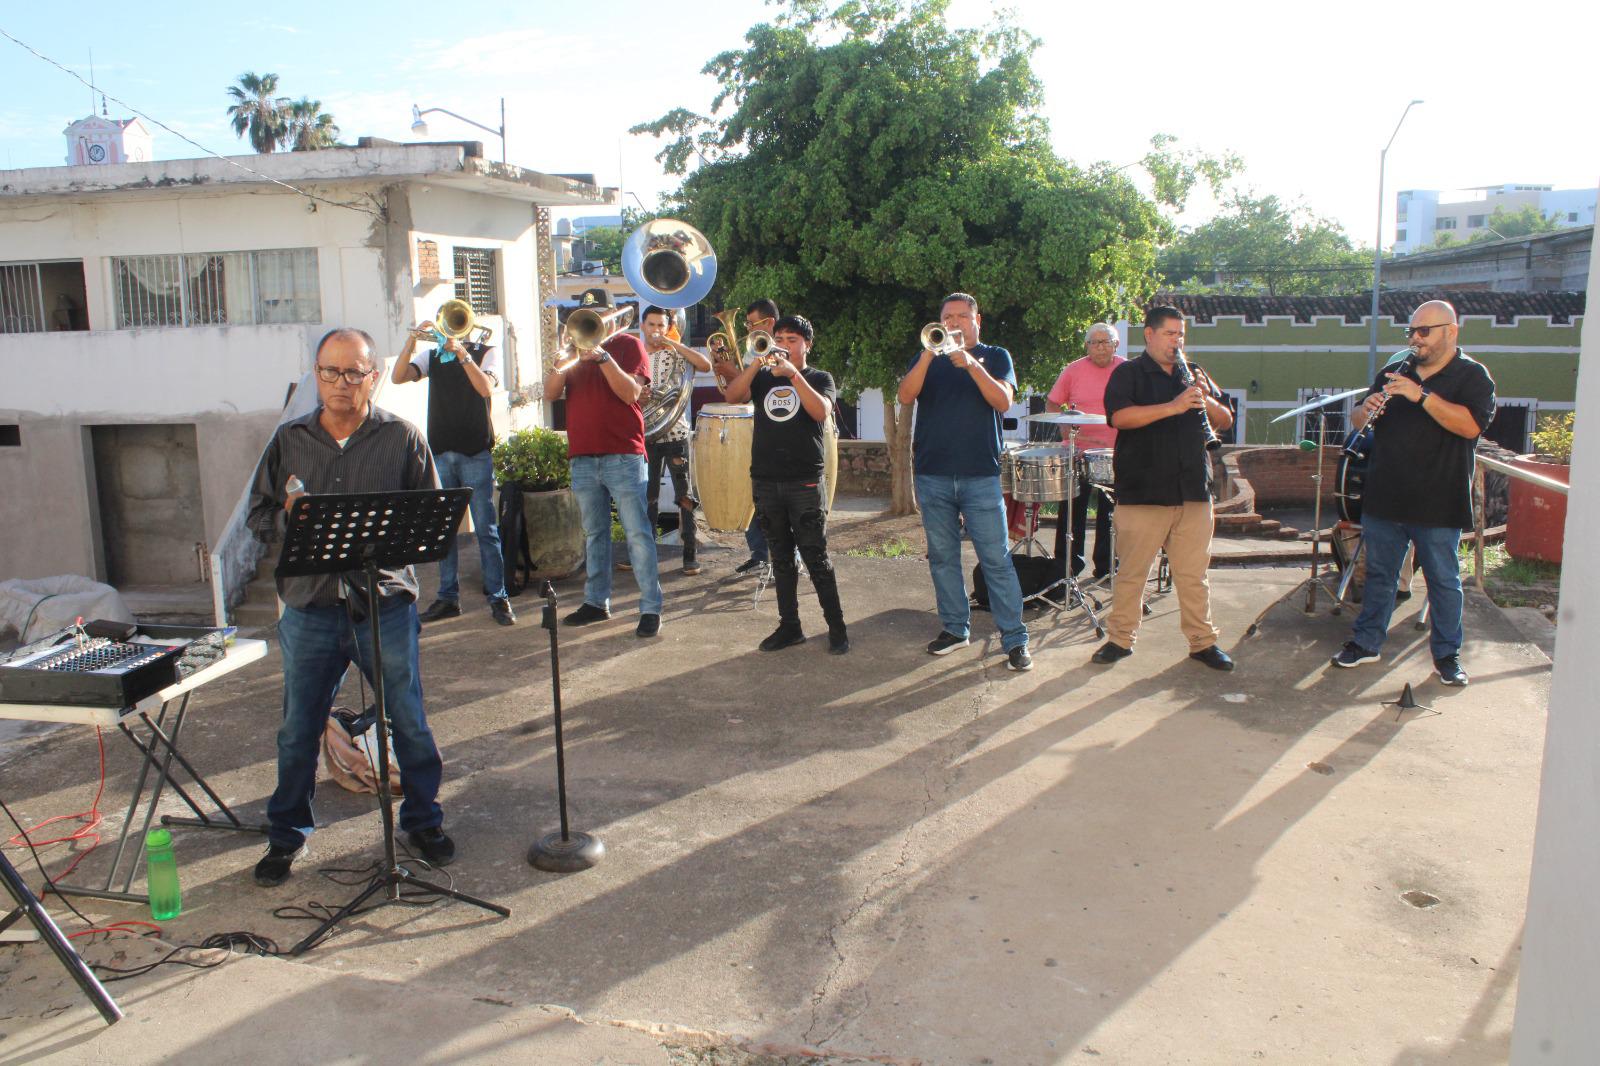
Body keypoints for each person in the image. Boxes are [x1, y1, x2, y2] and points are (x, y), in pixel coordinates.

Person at [245, 328, 455, 886]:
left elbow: (433, 517)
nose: (341, 383)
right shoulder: (289, 440)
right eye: (330, 372)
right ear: (316, 375)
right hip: (309, 606)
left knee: (408, 720)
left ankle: (423, 820)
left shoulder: (402, 437)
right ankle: (286, 835)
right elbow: (257, 516)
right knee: (298, 729)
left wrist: (395, 535)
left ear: (373, 376)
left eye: (353, 373)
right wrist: (291, 518)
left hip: (384, 604)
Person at [1330, 300, 1495, 686]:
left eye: (1424, 331)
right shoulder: (1395, 370)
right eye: (1411, 331)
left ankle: (1447, 656)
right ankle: (1366, 643)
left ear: (1450, 331)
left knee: (1443, 581)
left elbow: (1471, 426)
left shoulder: (1472, 377)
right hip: (1386, 495)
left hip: (1439, 499)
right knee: (1380, 576)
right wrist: (1365, 409)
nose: (1415, 339)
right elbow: (1358, 419)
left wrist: (1420, 396)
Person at [1091, 306, 1235, 671]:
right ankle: (1120, 640)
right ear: (1149, 335)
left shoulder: (1194, 372)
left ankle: (1202, 643)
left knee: (1193, 576)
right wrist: (1173, 406)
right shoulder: (1129, 373)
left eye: (1181, 334)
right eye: (1170, 334)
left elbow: (1225, 420)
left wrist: (1205, 396)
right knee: (1132, 574)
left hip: (1193, 490)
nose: (1177, 341)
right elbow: (1120, 417)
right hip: (1143, 490)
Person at [897, 292, 1032, 672]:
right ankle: (955, 629)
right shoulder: (928, 356)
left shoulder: (996, 356)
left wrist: (972, 365)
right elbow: (905, 395)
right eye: (947, 317)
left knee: (996, 560)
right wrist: (928, 354)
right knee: (943, 559)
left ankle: (1015, 639)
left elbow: (1003, 401)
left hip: (980, 475)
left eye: (961, 316)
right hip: (933, 474)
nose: (954, 323)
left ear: (977, 321)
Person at [721, 314, 849, 653]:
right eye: (779, 339)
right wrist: (755, 362)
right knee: (780, 558)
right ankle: (790, 626)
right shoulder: (762, 378)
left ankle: (837, 628)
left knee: (815, 556)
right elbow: (733, 396)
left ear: (807, 345)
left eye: (792, 340)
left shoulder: (819, 377)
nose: (784, 346)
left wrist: (793, 375)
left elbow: (821, 411)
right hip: (766, 479)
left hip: (804, 481)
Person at [544, 288, 663, 637]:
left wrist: (603, 358)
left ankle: (650, 607)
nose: (592, 321)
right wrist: (562, 358)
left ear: (610, 316)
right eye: (588, 315)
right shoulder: (572, 351)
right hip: (583, 455)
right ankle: (596, 602)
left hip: (623, 454)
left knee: (637, 533)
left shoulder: (628, 345)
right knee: (594, 534)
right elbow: (550, 393)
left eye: (598, 314)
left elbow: (631, 393)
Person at [390, 320, 515, 626]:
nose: (452, 328)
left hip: (475, 453)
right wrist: (411, 342)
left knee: (486, 529)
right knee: (445, 531)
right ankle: (448, 597)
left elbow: (485, 388)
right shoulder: (432, 356)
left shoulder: (486, 351)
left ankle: (498, 597)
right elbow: (397, 377)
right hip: (441, 452)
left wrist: (462, 354)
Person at [1046, 323, 1124, 581]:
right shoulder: (1073, 370)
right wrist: (1065, 430)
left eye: (1105, 342)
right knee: (1071, 510)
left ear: (1116, 345)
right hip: (1078, 451)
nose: (1100, 347)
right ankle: (1066, 568)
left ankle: (1106, 566)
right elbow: (1053, 403)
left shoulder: (1127, 370)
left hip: (1115, 452)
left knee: (1110, 512)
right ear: (1087, 346)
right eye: (1094, 342)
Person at [640, 305, 712, 575]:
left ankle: (690, 554)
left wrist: (672, 342)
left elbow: (704, 365)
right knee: (648, 498)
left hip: (675, 434)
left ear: (668, 327)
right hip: (645, 434)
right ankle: (645, 556)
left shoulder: (676, 353)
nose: (656, 330)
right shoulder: (636, 355)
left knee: (684, 496)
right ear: (643, 326)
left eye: (661, 325)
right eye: (651, 325)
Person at [715, 298, 781, 576]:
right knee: (752, 493)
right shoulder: (751, 348)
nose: (748, 329)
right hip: (751, 428)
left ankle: (785, 559)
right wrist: (728, 371)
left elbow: (766, 386)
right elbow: (739, 395)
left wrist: (733, 372)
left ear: (769, 323)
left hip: (777, 433)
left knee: (778, 501)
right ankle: (758, 554)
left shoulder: (781, 349)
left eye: (753, 324)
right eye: (747, 324)